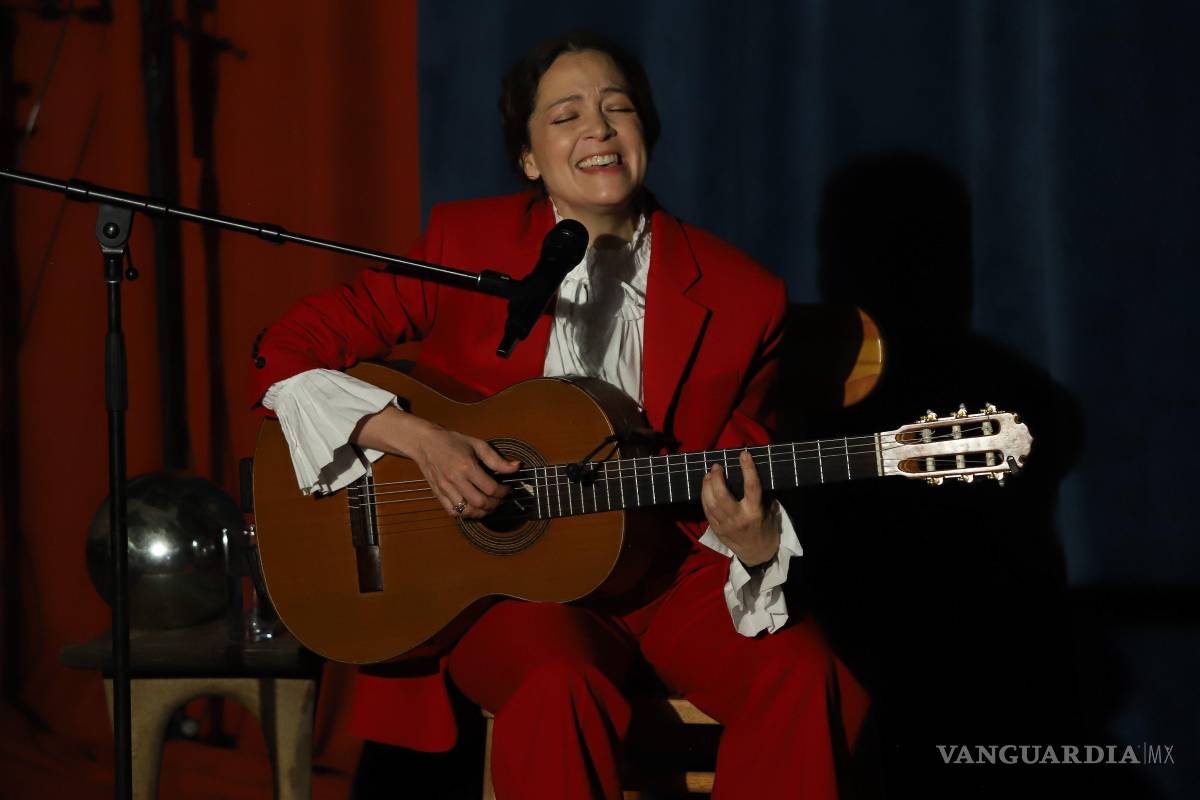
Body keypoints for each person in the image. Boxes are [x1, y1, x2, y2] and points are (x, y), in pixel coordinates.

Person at [250, 30, 869, 800]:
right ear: (530, 159)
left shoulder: (746, 297)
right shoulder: (467, 242)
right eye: (566, 114)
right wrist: (420, 438)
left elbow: (740, 460)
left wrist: (754, 542)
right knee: (559, 686)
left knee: (807, 677)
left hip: (668, 570)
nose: (599, 129)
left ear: (647, 133)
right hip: (511, 587)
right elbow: (287, 351)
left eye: (619, 109)